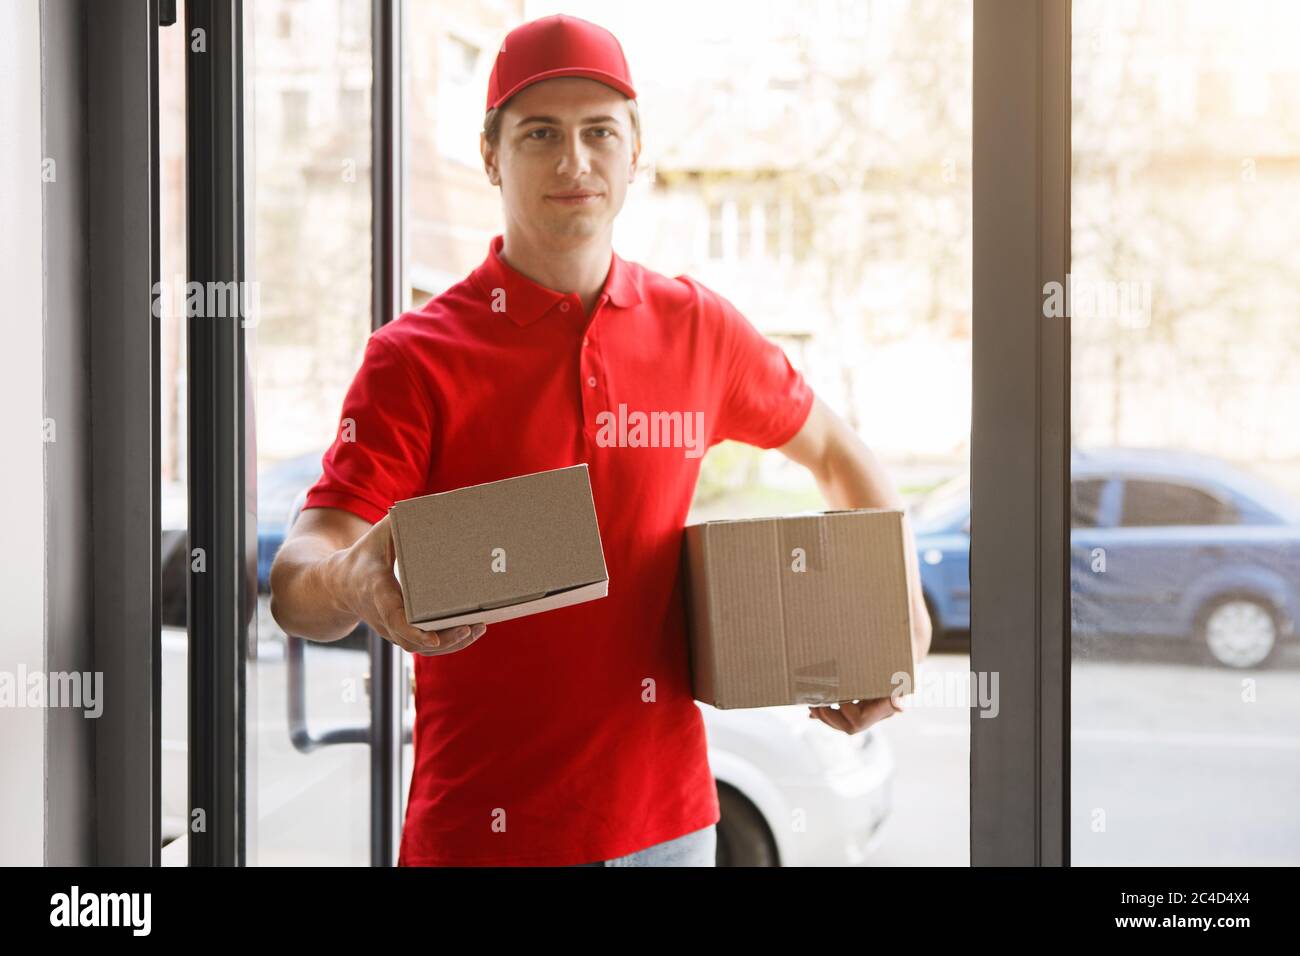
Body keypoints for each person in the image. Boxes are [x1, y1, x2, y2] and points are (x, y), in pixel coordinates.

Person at [269, 13, 931, 868]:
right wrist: (353, 580)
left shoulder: (699, 329)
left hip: (674, 830)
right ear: (490, 155)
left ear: (634, 152)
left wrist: (897, 621)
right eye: (540, 133)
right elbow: (297, 581)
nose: (574, 161)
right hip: (480, 835)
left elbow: (836, 454)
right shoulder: (416, 358)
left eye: (598, 133)